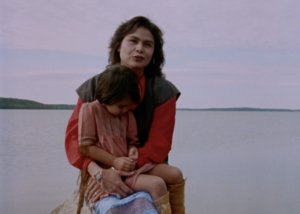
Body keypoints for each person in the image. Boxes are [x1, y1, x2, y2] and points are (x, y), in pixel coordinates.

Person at [65, 16, 186, 214]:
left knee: (175, 174)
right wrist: (99, 173)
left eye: (148, 44)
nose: (140, 48)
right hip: (99, 166)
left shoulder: (163, 91)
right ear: (118, 46)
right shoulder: (94, 87)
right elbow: (73, 142)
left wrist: (119, 169)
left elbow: (159, 145)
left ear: (154, 53)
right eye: (133, 41)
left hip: (143, 163)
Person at [77, 65, 181, 214]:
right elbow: (85, 147)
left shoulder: (126, 114)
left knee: (175, 174)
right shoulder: (90, 110)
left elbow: (132, 142)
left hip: (128, 168)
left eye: (129, 106)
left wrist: (133, 152)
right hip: (109, 172)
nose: (126, 110)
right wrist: (114, 161)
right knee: (157, 185)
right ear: (106, 97)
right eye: (121, 106)